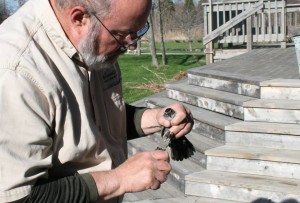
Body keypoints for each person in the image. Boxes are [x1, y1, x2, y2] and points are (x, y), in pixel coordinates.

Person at [0, 0, 194, 202]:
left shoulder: (92, 37)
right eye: (123, 35)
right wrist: (119, 179)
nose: (133, 44)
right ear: (79, 18)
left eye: (139, 30)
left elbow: (86, 119)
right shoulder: (15, 71)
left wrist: (155, 118)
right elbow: (18, 198)